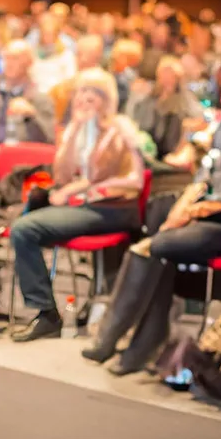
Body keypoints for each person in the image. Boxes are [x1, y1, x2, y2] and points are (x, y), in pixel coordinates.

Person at [83, 54, 221, 375]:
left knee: (156, 246)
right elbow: (206, 172)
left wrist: (202, 207)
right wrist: (186, 204)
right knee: (152, 242)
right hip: (204, 213)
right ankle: (137, 341)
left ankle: (127, 340)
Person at [9, 68, 144, 341]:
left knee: (24, 229)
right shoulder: (79, 127)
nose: (85, 98)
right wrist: (76, 131)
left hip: (115, 208)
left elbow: (124, 178)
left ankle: (46, 313)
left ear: (107, 99)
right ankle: (46, 312)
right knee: (23, 226)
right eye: (82, 91)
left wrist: (79, 191)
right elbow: (62, 175)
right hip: (86, 206)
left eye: (94, 93)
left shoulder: (119, 129)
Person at [0, 39, 55, 148]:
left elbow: (49, 138)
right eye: (7, 58)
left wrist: (32, 114)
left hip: (19, 157)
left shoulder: (39, 97)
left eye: (15, 58)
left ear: (29, 63)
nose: (9, 63)